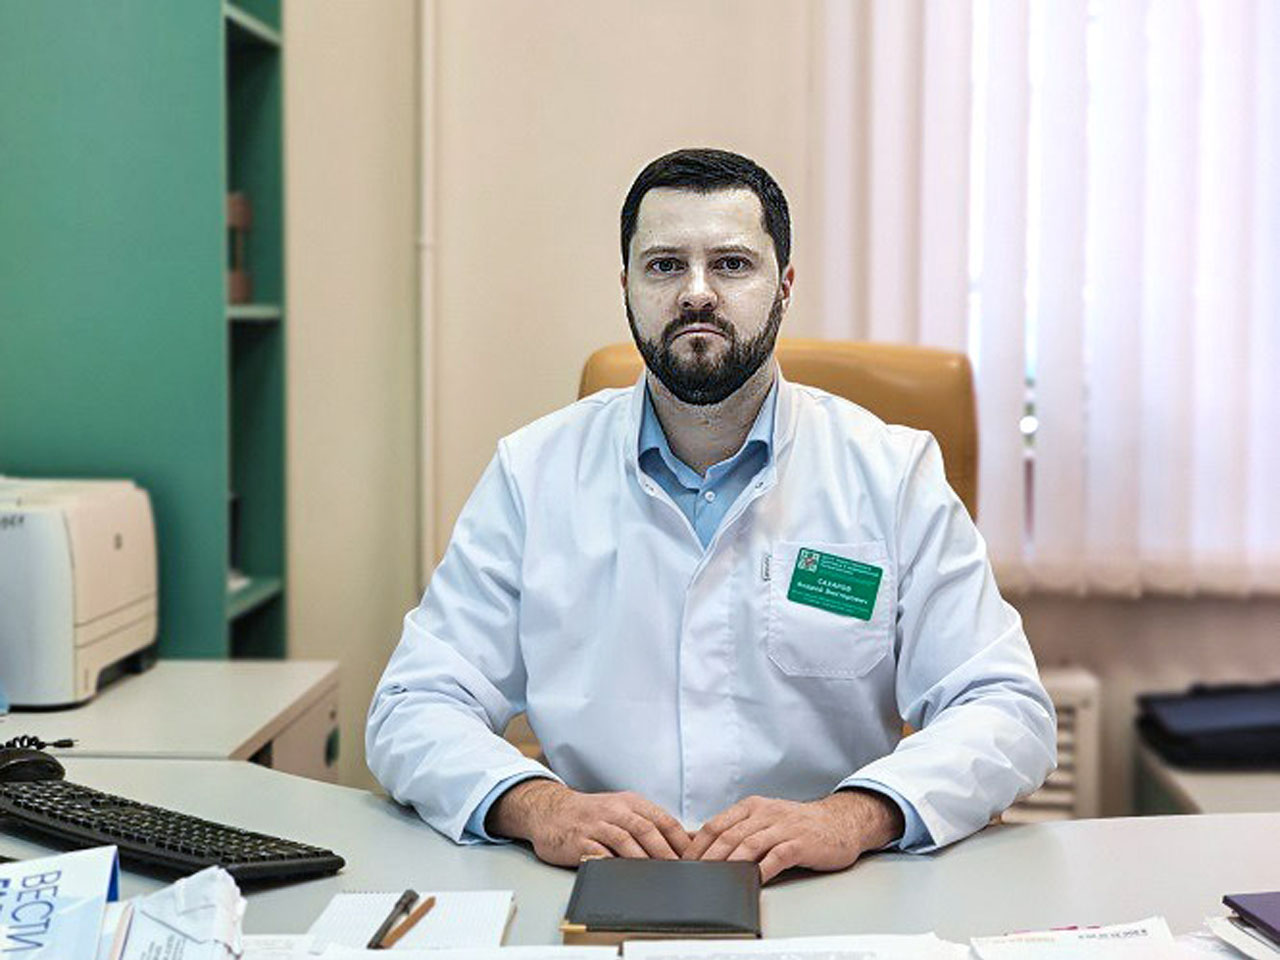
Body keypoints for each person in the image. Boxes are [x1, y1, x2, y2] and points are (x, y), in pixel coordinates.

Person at [366, 148, 1056, 883]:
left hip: (827, 890)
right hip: (592, 885)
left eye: (731, 264)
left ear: (784, 287)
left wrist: (853, 817)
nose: (697, 294)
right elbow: (415, 703)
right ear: (626, 286)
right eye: (665, 266)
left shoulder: (890, 474)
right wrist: (538, 807)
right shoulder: (532, 472)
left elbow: (1005, 707)